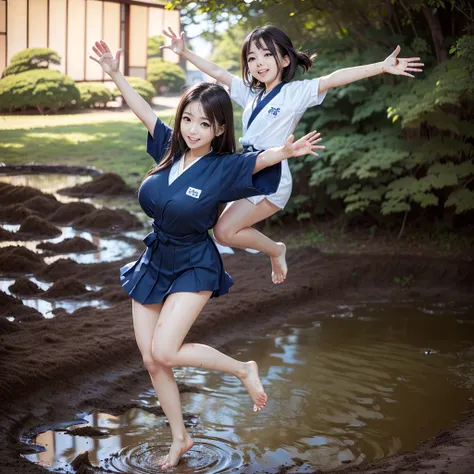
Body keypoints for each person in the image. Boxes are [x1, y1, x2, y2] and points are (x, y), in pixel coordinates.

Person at [90, 40, 325, 470]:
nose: (193, 129)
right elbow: (142, 109)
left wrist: (286, 152)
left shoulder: (224, 167)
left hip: (194, 264)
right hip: (154, 260)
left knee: (164, 351)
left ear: (219, 129)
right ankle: (180, 438)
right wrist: (113, 72)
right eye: (188, 119)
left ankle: (242, 369)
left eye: (204, 124)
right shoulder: (167, 148)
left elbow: (261, 162)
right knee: (150, 359)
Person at [161, 25, 424, 284]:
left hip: (270, 175)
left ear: (285, 59)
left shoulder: (295, 93)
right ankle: (202, 254)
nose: (258, 63)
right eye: (252, 58)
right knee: (208, 213)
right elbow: (218, 72)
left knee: (223, 232)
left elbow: (334, 78)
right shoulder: (250, 93)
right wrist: (185, 53)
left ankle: (276, 250)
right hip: (244, 167)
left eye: (266, 55)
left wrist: (381, 66)